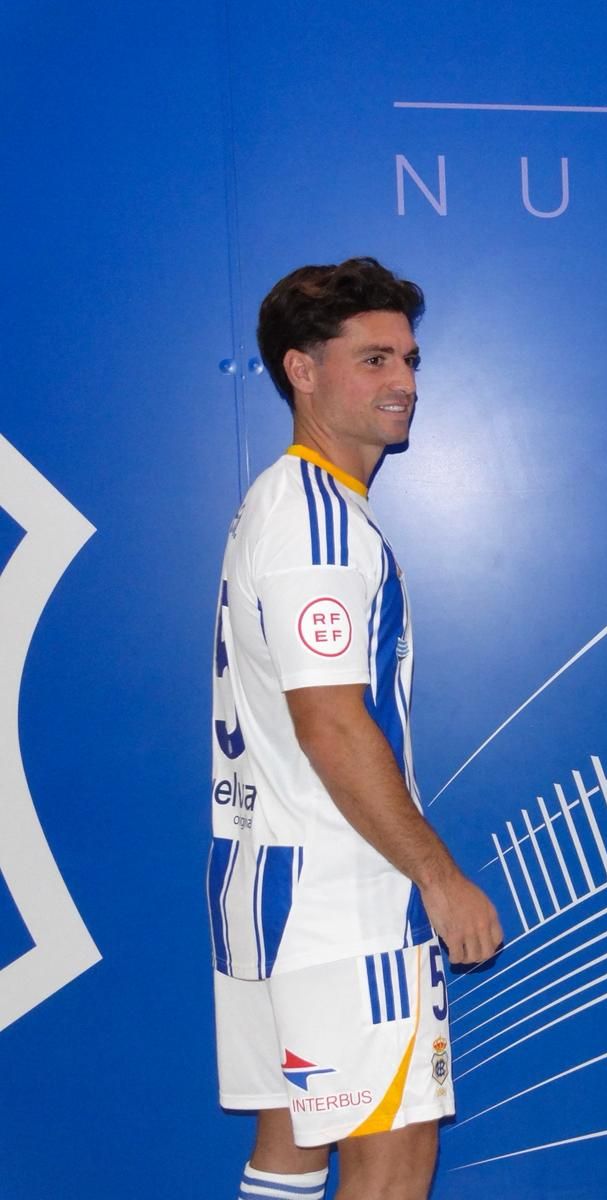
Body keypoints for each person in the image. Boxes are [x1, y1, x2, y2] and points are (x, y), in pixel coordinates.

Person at [208, 257, 502, 1200]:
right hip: (340, 896)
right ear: (301, 369)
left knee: (291, 1150)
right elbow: (332, 724)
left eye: (410, 359)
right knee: (394, 1148)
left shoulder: (284, 504)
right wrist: (437, 874)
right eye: (374, 359)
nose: (404, 382)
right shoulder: (315, 522)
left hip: (269, 879)